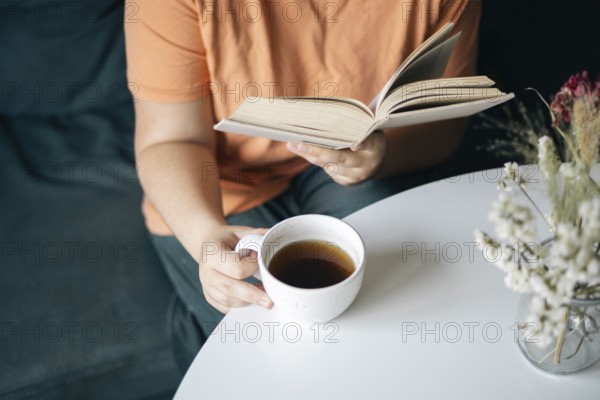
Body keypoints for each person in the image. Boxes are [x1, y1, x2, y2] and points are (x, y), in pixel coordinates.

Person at [124, 0, 480, 370]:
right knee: (268, 354)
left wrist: (381, 157)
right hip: (220, 185)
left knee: (386, 320)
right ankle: (196, 319)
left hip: (348, 167)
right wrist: (205, 237)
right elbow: (168, 139)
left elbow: (445, 128)